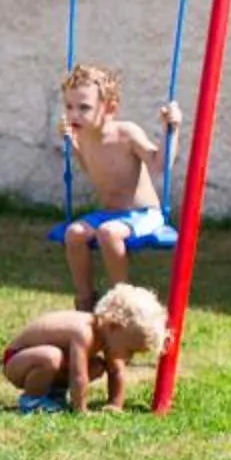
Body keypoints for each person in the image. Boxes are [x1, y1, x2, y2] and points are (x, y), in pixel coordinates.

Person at [56, 61, 183, 307]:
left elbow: (160, 164)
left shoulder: (126, 133)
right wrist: (73, 145)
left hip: (144, 214)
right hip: (109, 214)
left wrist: (172, 128)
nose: (73, 114)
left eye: (84, 107)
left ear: (110, 109)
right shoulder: (83, 135)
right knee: (74, 233)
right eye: (69, 106)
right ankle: (85, 298)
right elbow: (91, 168)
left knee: (108, 233)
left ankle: (122, 299)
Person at [2, 284, 170, 414]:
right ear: (113, 326)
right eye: (130, 350)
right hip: (17, 361)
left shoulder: (109, 335)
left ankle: (54, 395)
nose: (129, 358)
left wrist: (114, 404)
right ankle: (32, 401)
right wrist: (81, 410)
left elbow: (116, 371)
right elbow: (78, 374)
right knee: (52, 357)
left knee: (96, 366)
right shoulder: (83, 331)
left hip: (49, 365)